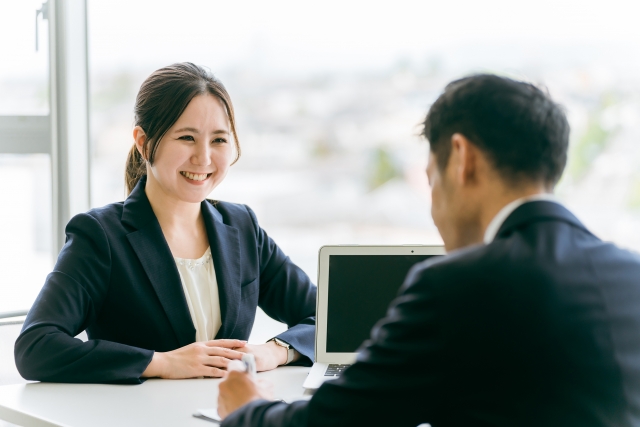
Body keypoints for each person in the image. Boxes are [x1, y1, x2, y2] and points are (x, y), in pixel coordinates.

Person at [216, 74, 640, 426]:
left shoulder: (457, 285)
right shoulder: (630, 274)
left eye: (431, 177)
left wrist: (247, 409)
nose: (434, 206)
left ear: (461, 158)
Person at [14, 63, 316, 384]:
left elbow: (333, 319)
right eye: (187, 137)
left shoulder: (242, 227)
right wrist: (161, 363)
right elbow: (36, 347)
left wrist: (277, 350)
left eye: (219, 140)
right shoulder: (100, 235)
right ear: (144, 143)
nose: (203, 158)